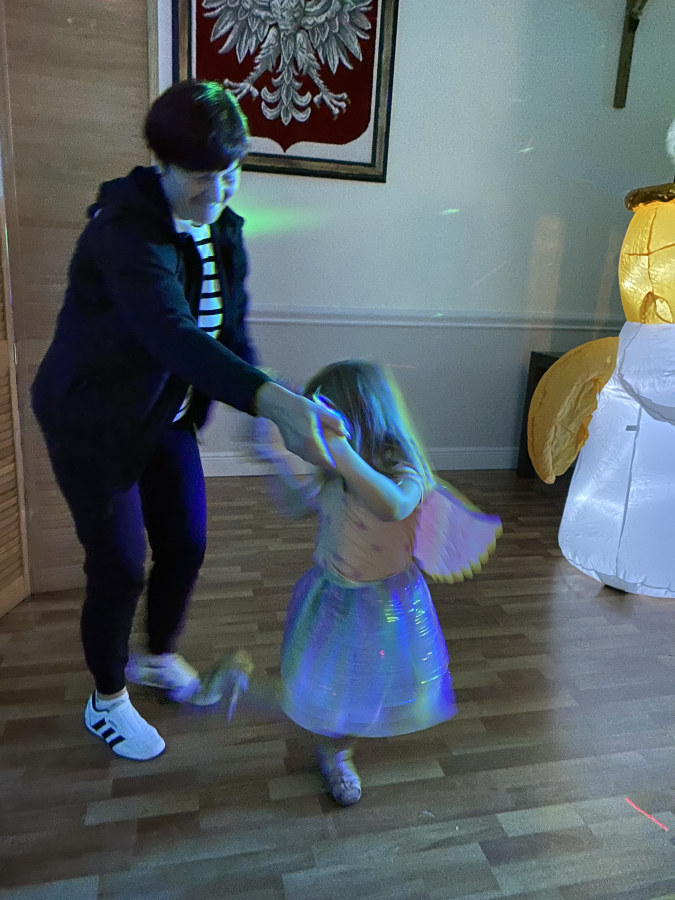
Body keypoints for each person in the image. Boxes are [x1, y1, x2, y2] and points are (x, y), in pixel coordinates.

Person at [30, 80, 346, 762]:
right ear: (162, 164)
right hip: (92, 421)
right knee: (119, 566)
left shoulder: (225, 229)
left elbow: (230, 330)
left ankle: (155, 657)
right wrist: (277, 403)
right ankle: (106, 699)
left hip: (163, 415)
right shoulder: (122, 231)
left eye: (231, 172)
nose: (219, 191)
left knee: (187, 542)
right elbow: (173, 336)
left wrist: (264, 410)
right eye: (203, 176)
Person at [194, 360, 501, 806]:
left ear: (356, 418)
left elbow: (393, 506)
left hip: (389, 612)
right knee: (311, 698)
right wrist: (275, 458)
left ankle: (337, 754)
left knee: (363, 699)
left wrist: (339, 451)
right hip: (334, 605)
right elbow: (297, 505)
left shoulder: (405, 473)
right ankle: (239, 679)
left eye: (325, 421)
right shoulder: (337, 474)